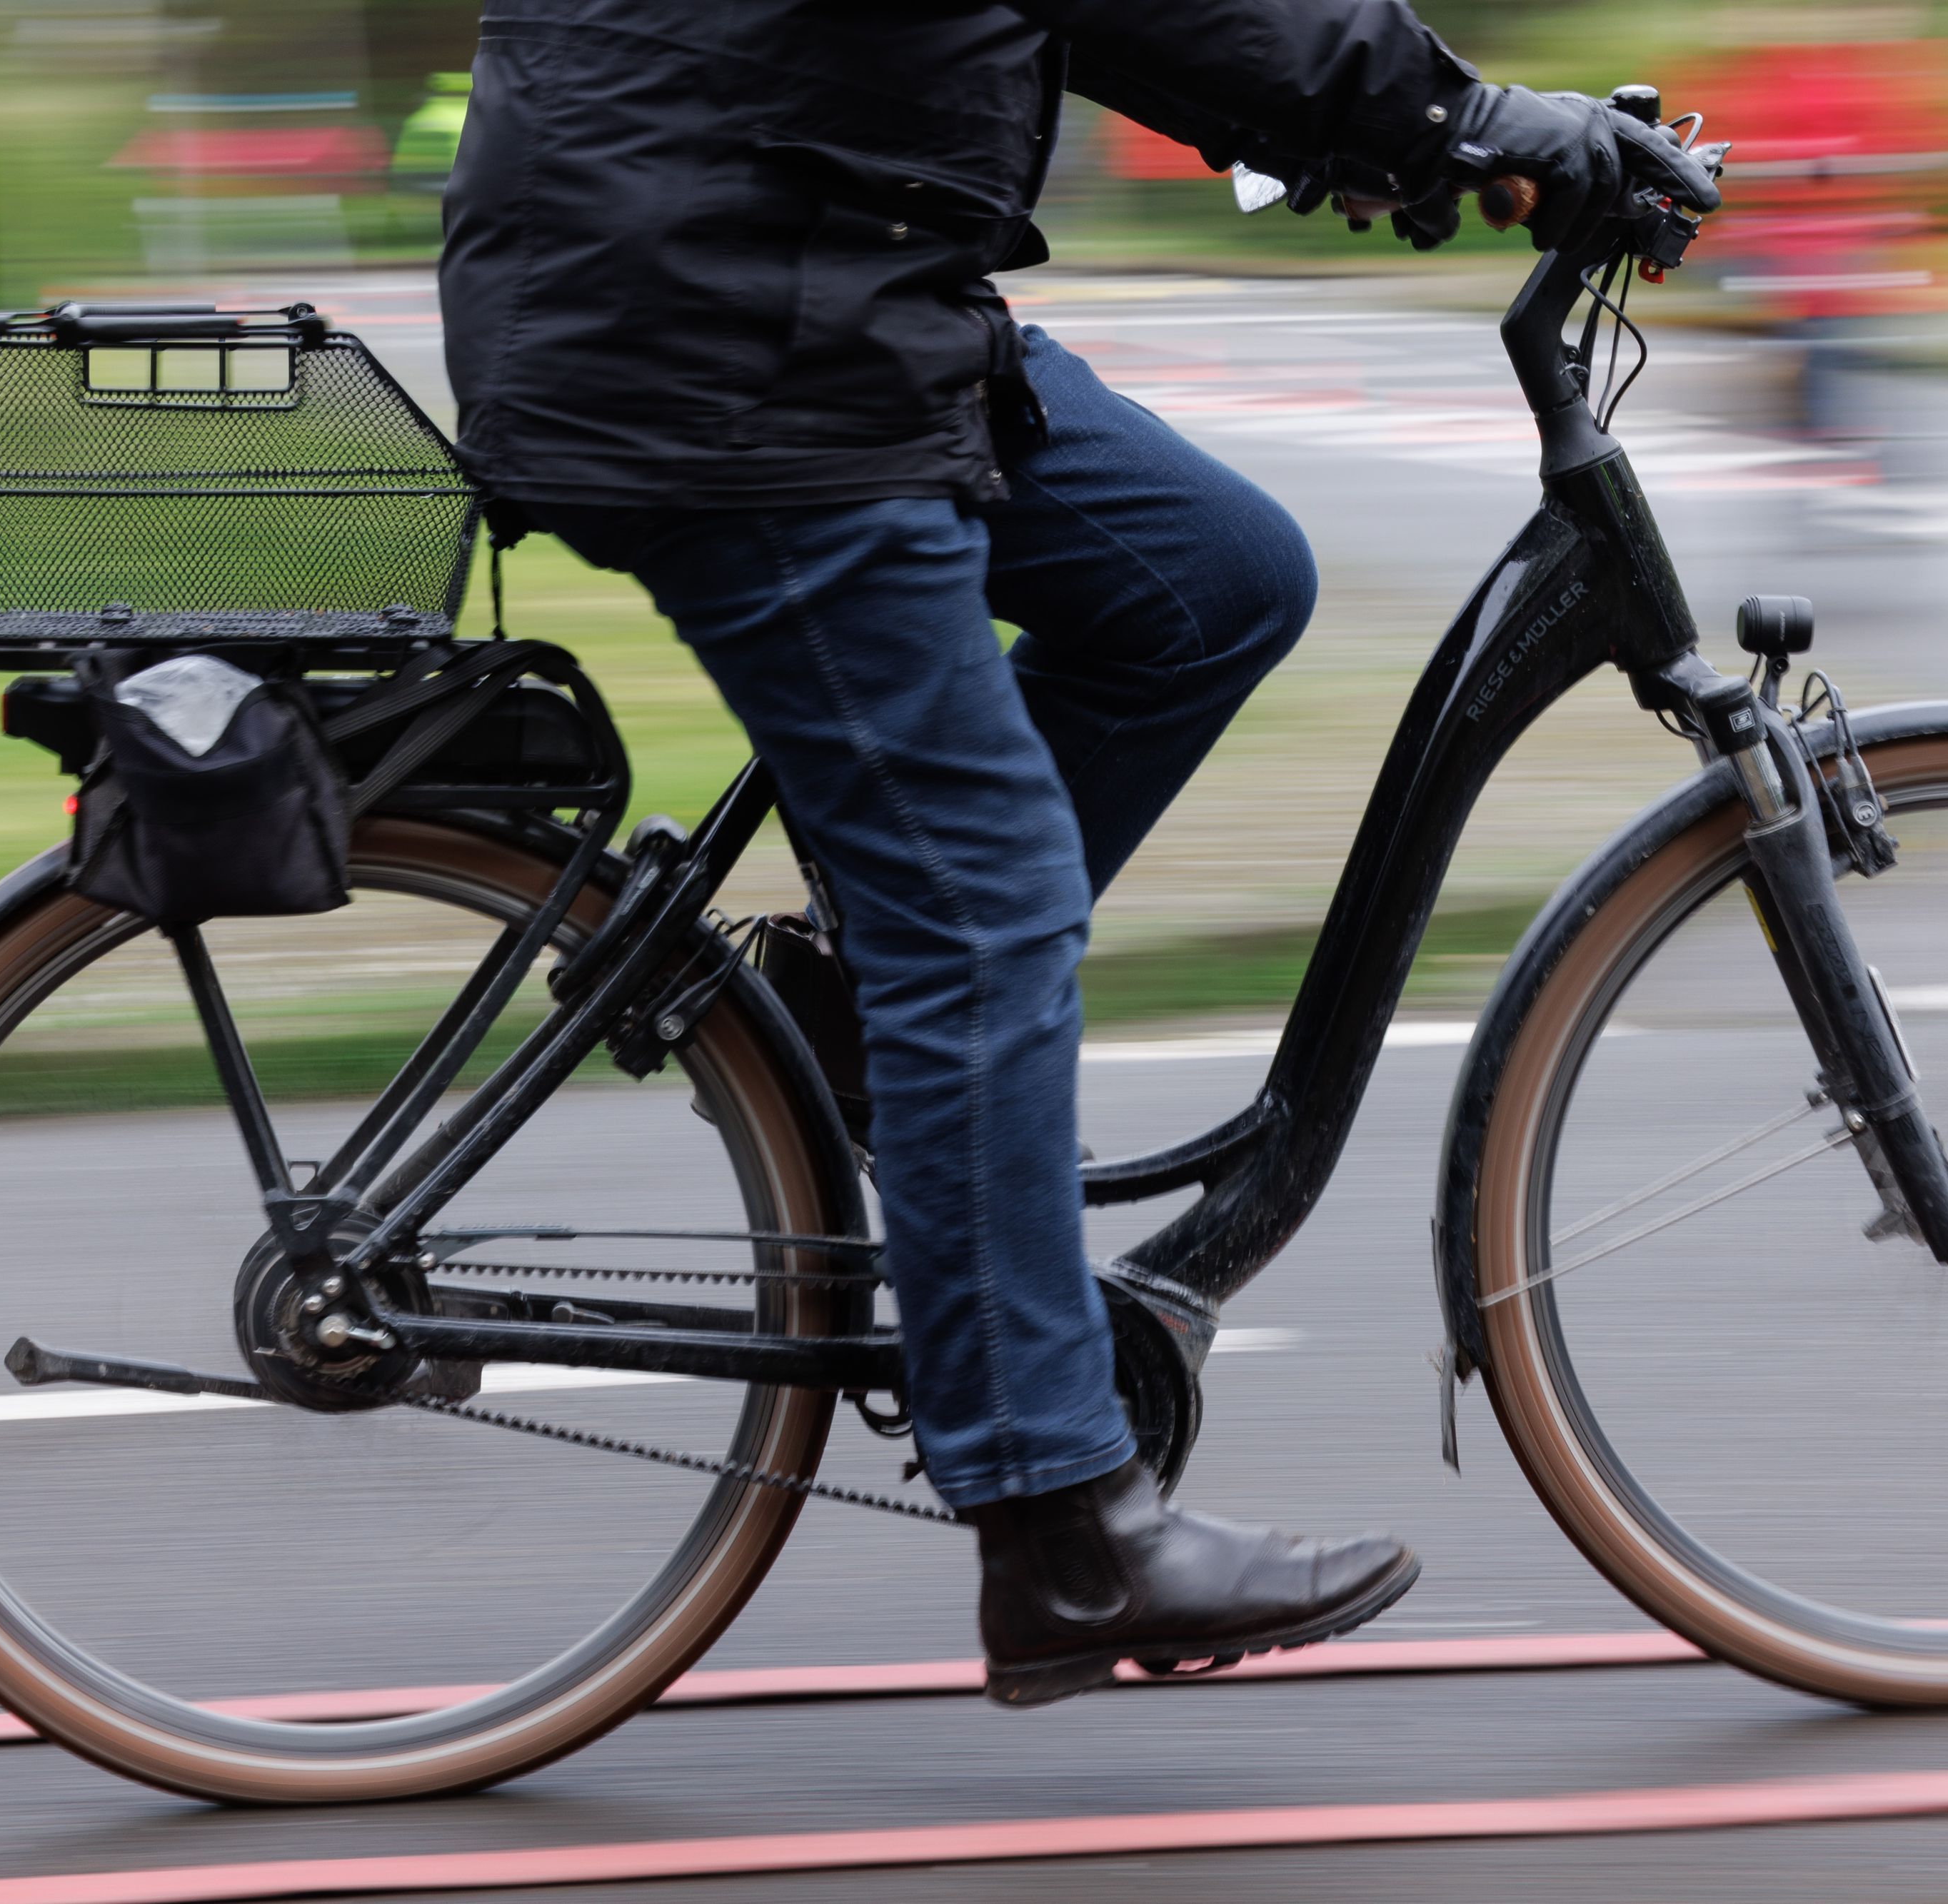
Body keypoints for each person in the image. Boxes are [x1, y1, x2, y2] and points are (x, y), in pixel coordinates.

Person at [438, 0, 1718, 1710]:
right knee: (977, 904)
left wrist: (1388, 136)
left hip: (785, 270)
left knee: (1212, 575)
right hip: (734, 334)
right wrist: (1469, 113)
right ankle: (1061, 1520)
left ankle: (838, 1016)